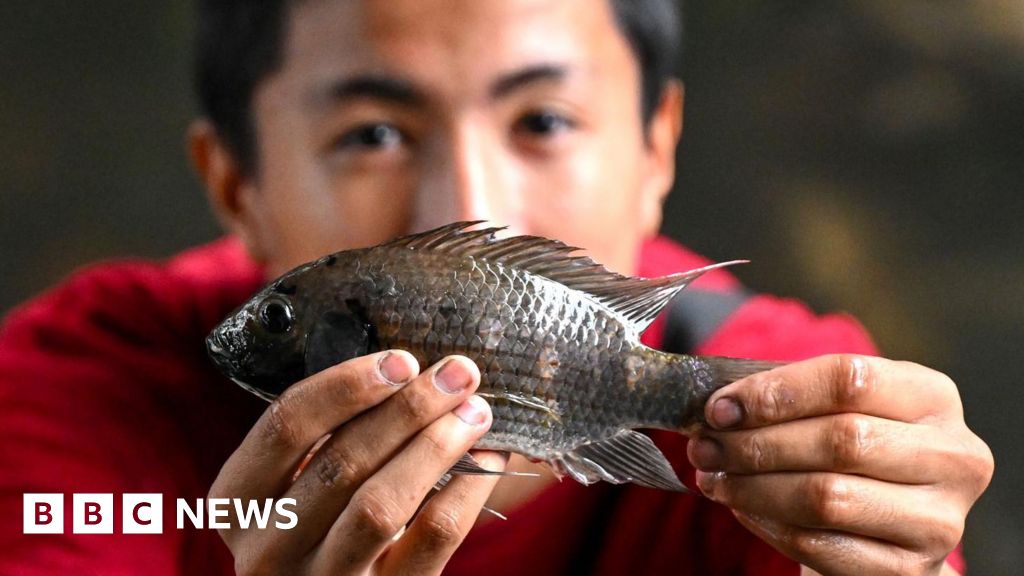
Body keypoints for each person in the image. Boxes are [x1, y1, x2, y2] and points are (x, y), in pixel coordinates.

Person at [0, 0, 992, 574]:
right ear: (234, 183)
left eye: (544, 121)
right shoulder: (79, 384)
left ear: (658, 147)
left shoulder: (783, 412)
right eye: (372, 135)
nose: (471, 204)